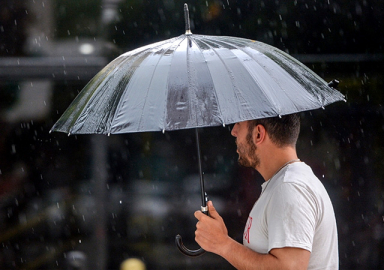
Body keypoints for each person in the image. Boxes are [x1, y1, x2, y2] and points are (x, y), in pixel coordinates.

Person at [194, 114, 338, 270]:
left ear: (258, 134)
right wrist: (222, 242)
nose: (233, 131)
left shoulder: (289, 187)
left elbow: (288, 268)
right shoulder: (285, 184)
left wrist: (223, 244)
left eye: (239, 124)